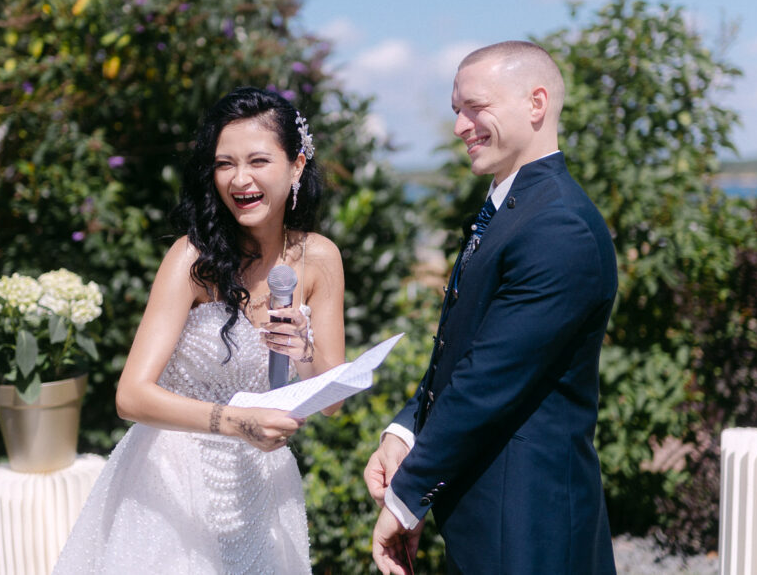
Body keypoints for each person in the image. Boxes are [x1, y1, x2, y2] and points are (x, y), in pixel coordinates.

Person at [54, 87, 345, 574]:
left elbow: (332, 400)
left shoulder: (320, 258)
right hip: (171, 483)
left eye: (257, 160)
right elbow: (131, 397)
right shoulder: (193, 259)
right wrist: (234, 422)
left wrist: (304, 351)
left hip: (263, 484)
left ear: (296, 167)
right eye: (224, 164)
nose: (240, 178)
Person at [366, 41, 618, 574]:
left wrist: (406, 497)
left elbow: (489, 379)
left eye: (475, 108)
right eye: (456, 110)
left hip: (528, 525)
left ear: (536, 104)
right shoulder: (510, 209)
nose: (460, 125)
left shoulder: (558, 226)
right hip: (490, 517)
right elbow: (463, 352)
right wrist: (405, 430)